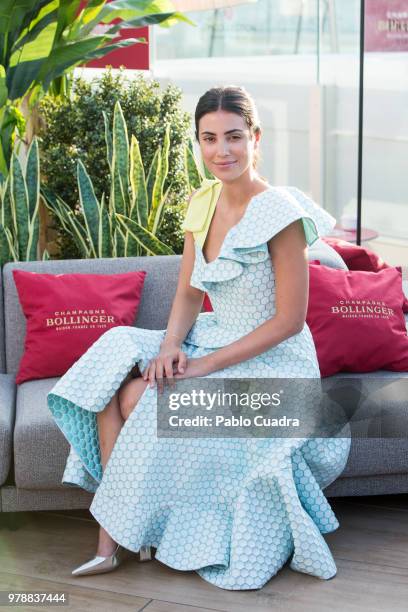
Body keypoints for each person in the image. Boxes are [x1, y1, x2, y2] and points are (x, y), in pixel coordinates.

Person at [47, 85, 351, 591]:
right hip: (209, 338)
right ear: (199, 143)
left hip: (274, 362)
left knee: (136, 397)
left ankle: (118, 539)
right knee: (113, 362)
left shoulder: (280, 212)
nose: (221, 151)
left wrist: (205, 367)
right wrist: (170, 348)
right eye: (209, 139)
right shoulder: (202, 201)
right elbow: (189, 294)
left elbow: (289, 321)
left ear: (256, 139)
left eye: (234, 137)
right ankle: (118, 537)